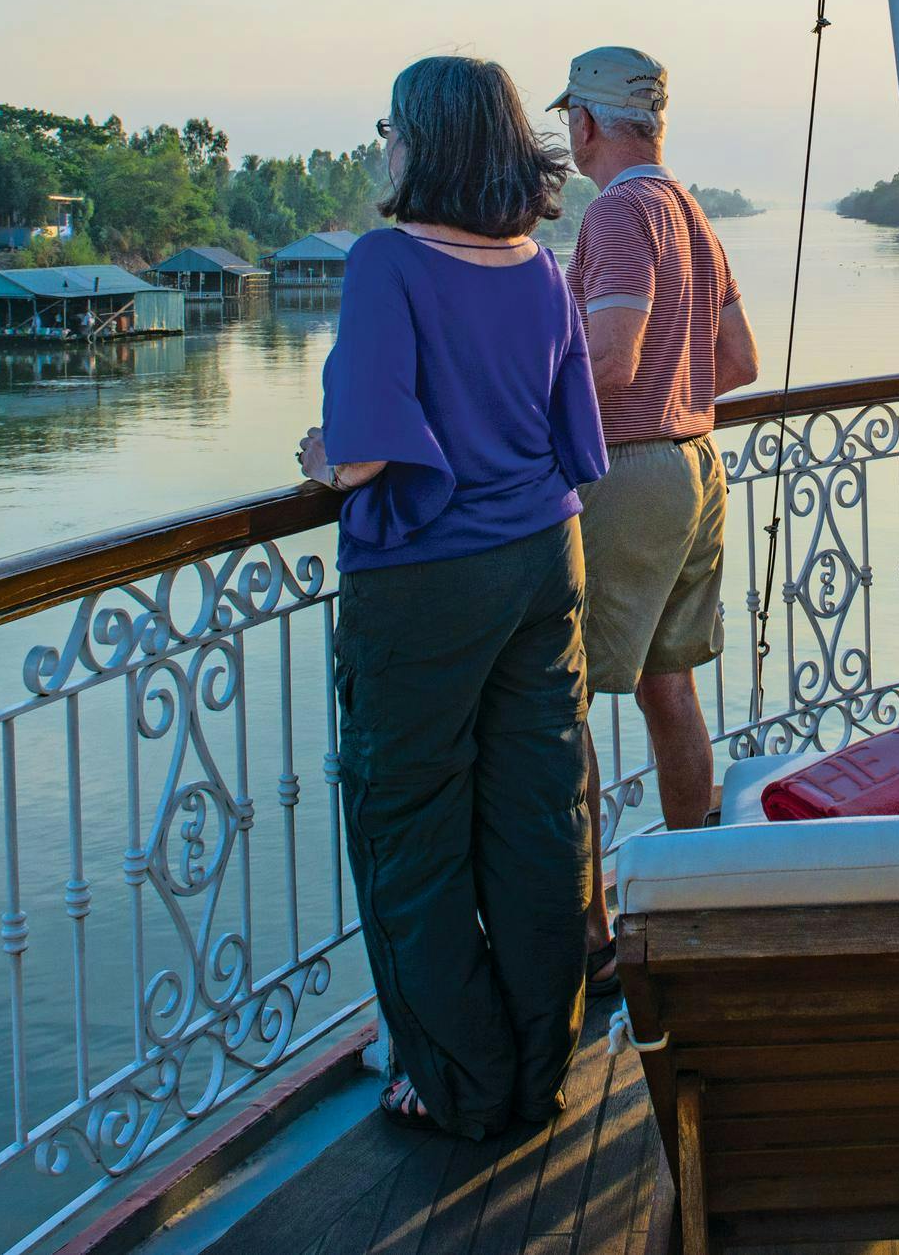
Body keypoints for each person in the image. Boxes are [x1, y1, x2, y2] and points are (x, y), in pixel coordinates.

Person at [296, 55, 608, 1140]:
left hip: (428, 579)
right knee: (537, 816)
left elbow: (371, 450)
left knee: (410, 832)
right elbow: (574, 428)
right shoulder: (539, 264)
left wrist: (323, 461)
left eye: (391, 126)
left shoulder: (386, 263)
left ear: (422, 142)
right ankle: (539, 1068)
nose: (385, 143)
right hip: (545, 557)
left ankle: (456, 1081)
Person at [546, 46, 758, 982]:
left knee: (564, 697)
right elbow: (740, 362)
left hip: (628, 474)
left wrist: (518, 417)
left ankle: (592, 931)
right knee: (670, 688)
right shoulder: (688, 211)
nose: (566, 137)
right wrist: (681, 386)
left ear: (589, 124)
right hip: (696, 465)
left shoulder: (621, 212)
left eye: (568, 121)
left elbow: (612, 360)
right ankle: (693, 892)